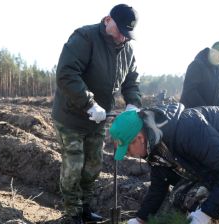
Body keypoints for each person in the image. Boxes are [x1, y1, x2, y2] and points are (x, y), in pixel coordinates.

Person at [52, 4, 142, 224]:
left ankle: (84, 207)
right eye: (120, 30)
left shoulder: (127, 50)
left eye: (127, 34)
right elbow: (66, 73)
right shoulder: (85, 37)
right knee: (74, 165)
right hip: (71, 116)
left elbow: (131, 81)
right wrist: (89, 104)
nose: (123, 37)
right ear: (107, 20)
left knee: (93, 166)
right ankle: (72, 213)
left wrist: (133, 104)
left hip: (98, 120)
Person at [180, 41, 219, 108]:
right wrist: (205, 110)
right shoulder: (196, 65)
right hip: (191, 113)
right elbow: (190, 91)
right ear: (213, 52)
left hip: (210, 115)